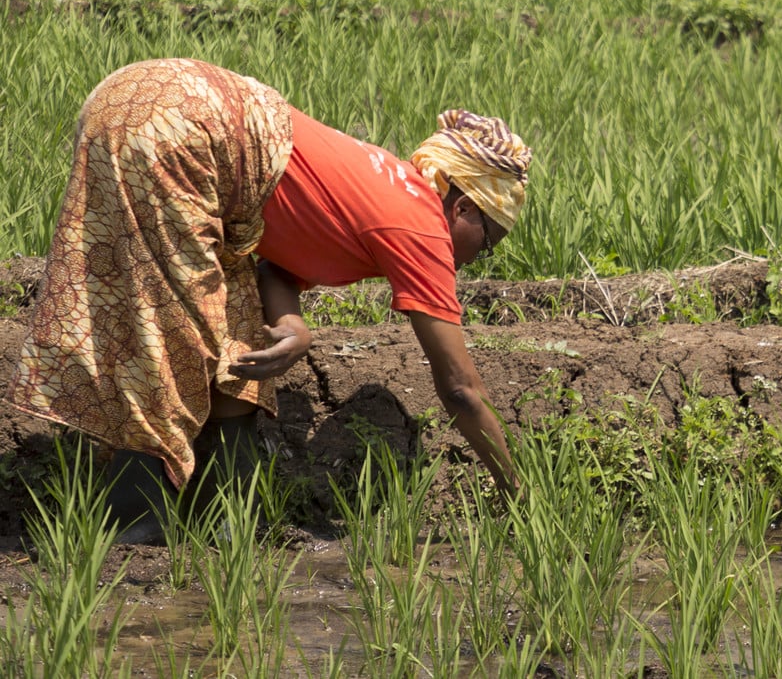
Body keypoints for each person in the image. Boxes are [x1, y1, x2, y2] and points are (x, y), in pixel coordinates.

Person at [10, 58, 530, 541]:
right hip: (179, 126)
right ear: (463, 206)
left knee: (234, 323)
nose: (475, 262)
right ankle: (134, 523)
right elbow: (461, 389)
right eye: (488, 244)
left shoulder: (390, 189)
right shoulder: (420, 227)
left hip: (145, 97)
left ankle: (226, 517)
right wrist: (521, 496)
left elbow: (275, 265)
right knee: (168, 325)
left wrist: (294, 325)